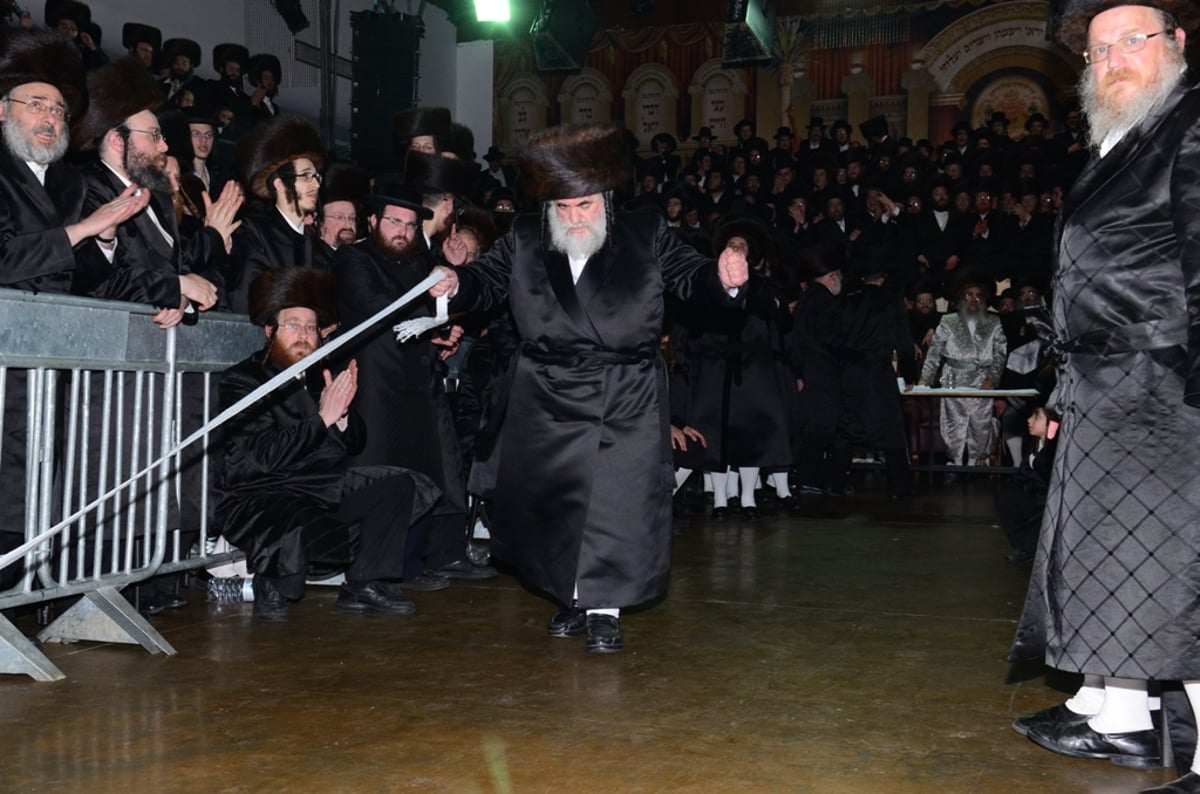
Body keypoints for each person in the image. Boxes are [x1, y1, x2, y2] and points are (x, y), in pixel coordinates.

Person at [429, 123, 750, 653]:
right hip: (546, 389)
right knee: (555, 502)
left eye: (585, 207)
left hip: (625, 389)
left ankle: (604, 608)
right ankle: (569, 597)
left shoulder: (646, 233)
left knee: (615, 502)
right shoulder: (527, 235)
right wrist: (456, 283)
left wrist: (726, 277)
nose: (575, 219)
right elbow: (485, 280)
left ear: (606, 198)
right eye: (565, 209)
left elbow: (694, 277)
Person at [1008, 2, 1200, 789]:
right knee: (1122, 565)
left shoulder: (1190, 128)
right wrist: (1060, 389)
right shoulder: (1130, 134)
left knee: (1181, 574)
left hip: (1164, 391)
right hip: (1108, 388)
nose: (1114, 59)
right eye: (1098, 51)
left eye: (1132, 40)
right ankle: (1119, 718)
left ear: (1177, 43)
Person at [217, 267, 439, 621]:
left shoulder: (320, 378)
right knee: (291, 521)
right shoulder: (244, 381)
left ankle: (364, 582)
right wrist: (320, 420)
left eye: (310, 327)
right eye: (293, 326)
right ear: (270, 330)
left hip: (318, 488)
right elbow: (250, 461)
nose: (304, 335)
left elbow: (354, 443)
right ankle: (272, 581)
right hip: (263, 496)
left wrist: (342, 418)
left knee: (400, 485)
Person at [227, 115, 330, 313]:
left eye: (316, 176)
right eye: (306, 176)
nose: (316, 184)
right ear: (280, 184)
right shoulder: (254, 233)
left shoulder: (318, 246)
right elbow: (245, 300)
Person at [916, 270, 1006, 472]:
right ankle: (955, 465)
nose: (973, 299)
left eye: (978, 296)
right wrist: (925, 380)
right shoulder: (948, 321)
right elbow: (934, 353)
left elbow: (1000, 353)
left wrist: (992, 379)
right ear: (961, 298)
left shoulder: (994, 322)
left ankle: (975, 464)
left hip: (982, 380)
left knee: (980, 424)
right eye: (969, 295)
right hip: (953, 378)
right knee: (953, 425)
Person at [995, 403, 1057, 566]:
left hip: (1049, 494)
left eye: (1036, 417)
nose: (1030, 421)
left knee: (1037, 506)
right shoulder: (1034, 443)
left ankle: (1033, 550)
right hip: (1033, 490)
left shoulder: (1054, 449)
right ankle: (1027, 548)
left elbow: (1048, 474)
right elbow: (1024, 471)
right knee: (1006, 496)